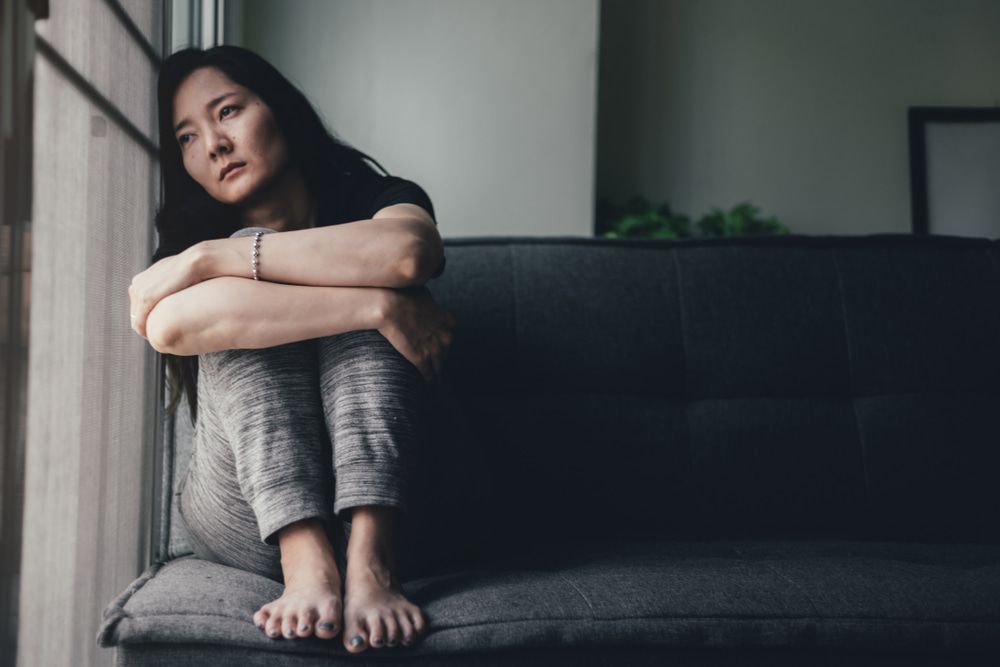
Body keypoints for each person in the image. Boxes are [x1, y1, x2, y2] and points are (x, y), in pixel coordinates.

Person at [126, 45, 455, 654]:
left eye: (227, 111)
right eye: (187, 137)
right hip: (243, 513)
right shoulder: (190, 238)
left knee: (366, 263)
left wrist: (216, 260)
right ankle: (303, 557)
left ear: (279, 108)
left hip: (396, 495)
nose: (214, 145)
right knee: (286, 295)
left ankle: (371, 560)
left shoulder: (371, 196)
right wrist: (376, 307)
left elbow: (409, 253)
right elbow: (170, 326)